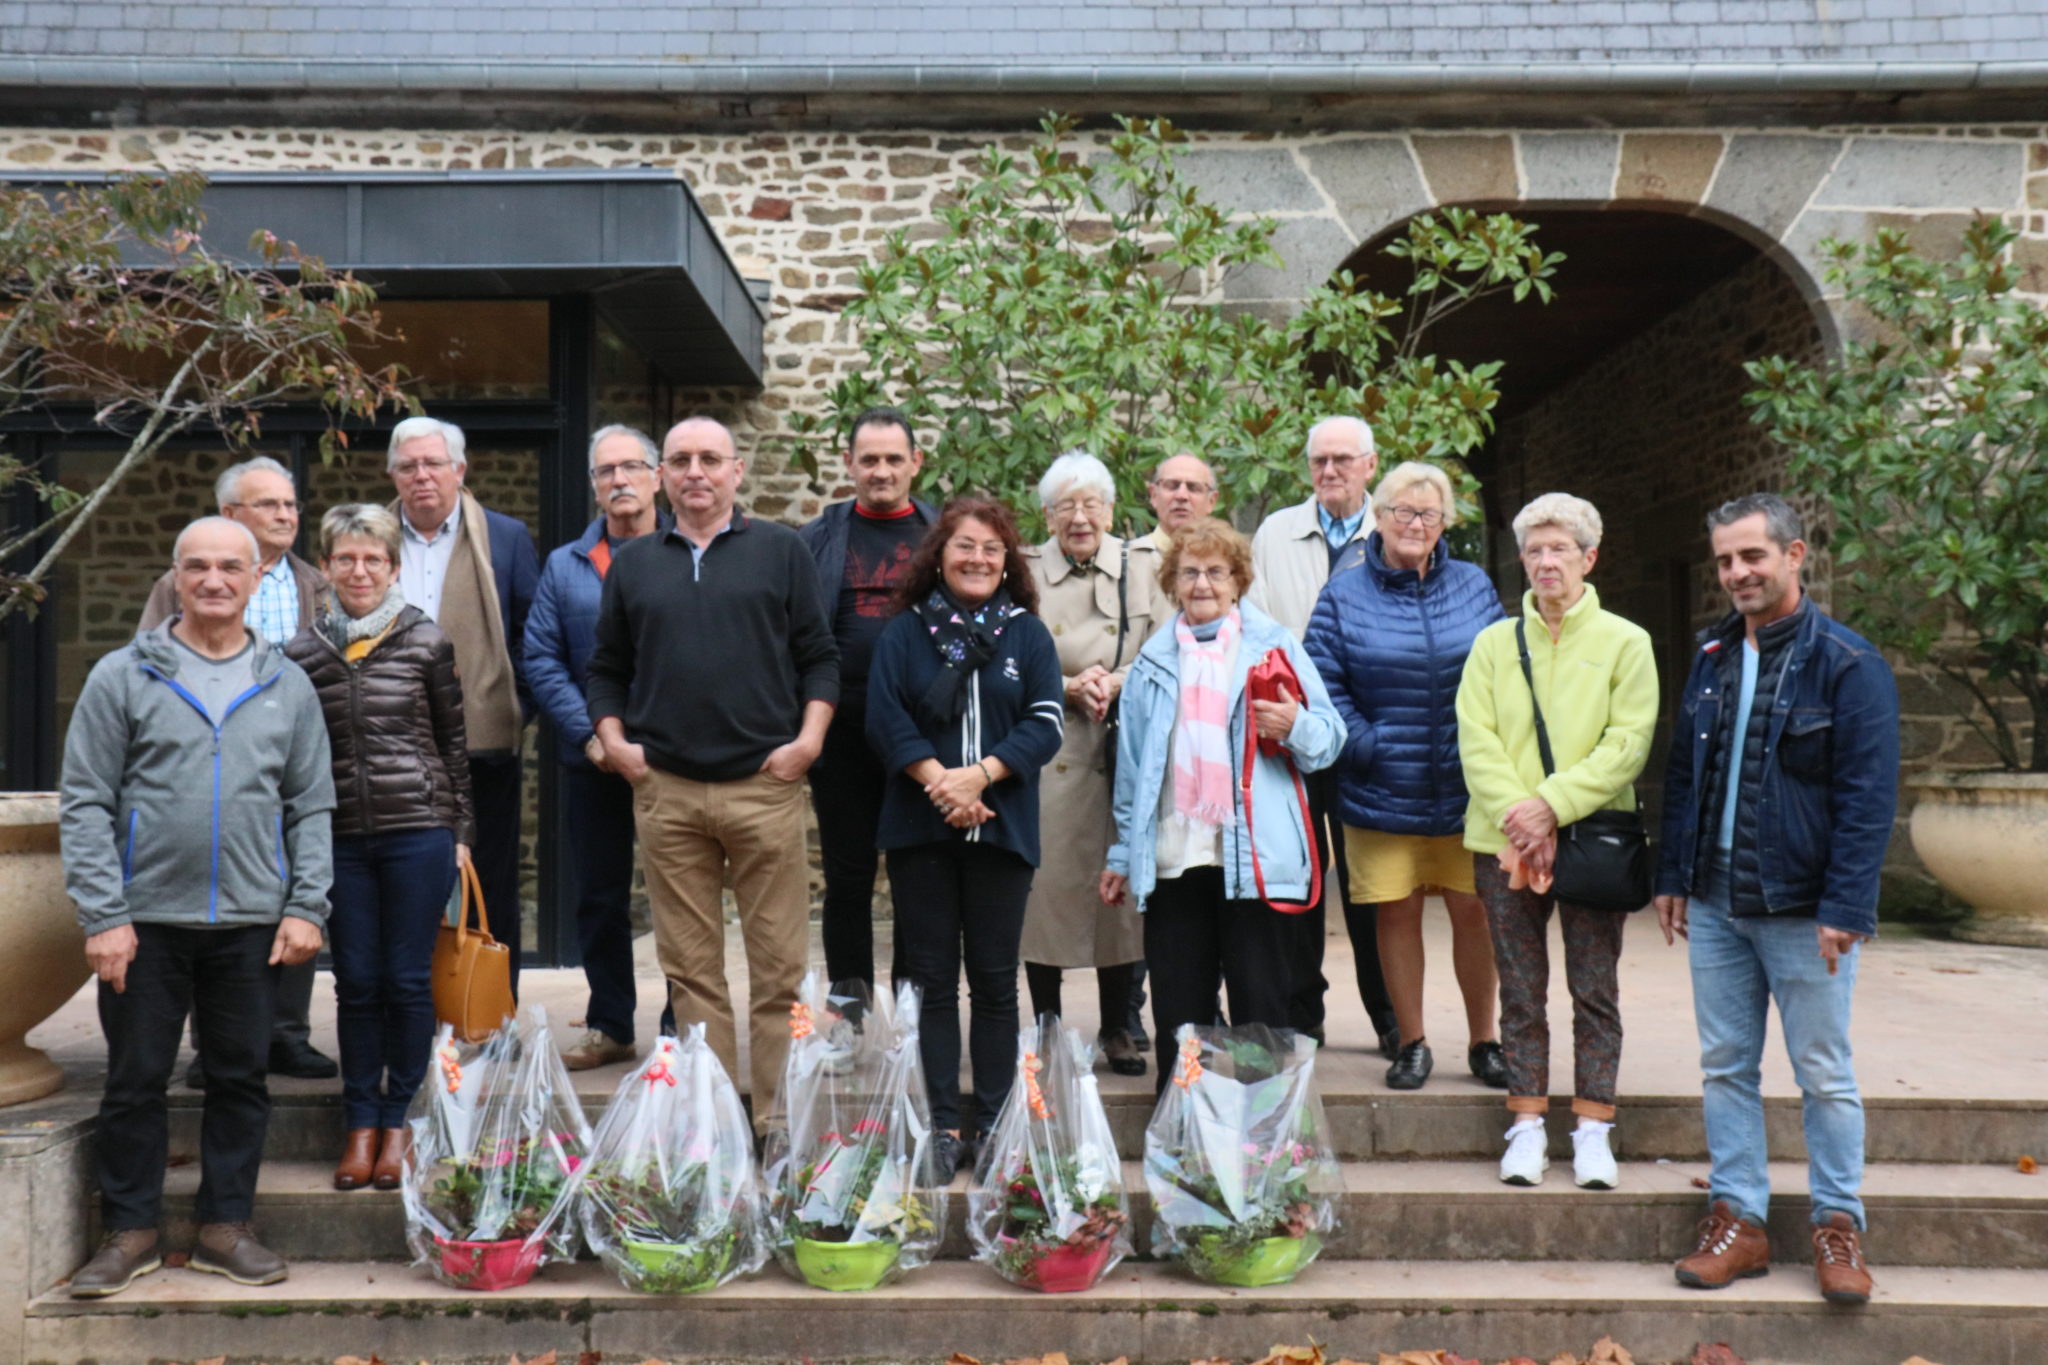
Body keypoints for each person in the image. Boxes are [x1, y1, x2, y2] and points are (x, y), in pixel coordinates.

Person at [61, 516, 334, 1297]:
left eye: (229, 567)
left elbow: (311, 804)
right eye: (197, 567)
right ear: (175, 578)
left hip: (253, 923)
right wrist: (102, 914)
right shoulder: (123, 674)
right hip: (142, 921)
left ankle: (226, 1226)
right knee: (136, 1078)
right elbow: (84, 802)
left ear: (256, 580)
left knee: (242, 1079)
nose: (214, 580)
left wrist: (306, 903)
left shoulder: (287, 683)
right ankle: (131, 1230)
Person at [1656, 493, 1898, 1306]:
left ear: (1795, 556)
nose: (1737, 573)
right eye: (1726, 559)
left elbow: (1868, 798)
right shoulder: (1714, 652)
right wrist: (1672, 874)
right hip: (1720, 902)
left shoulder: (1848, 663)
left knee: (1823, 1072)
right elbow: (1686, 774)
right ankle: (1742, 1221)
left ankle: (1838, 1223)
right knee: (1726, 1065)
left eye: (1752, 556)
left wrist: (1848, 905)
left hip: (1804, 910)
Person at [586, 415, 838, 1128]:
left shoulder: (782, 551)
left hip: (765, 786)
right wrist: (615, 741)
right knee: (691, 971)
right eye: (680, 460)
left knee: (780, 967)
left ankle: (778, 1121)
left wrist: (808, 743)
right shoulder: (634, 562)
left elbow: (820, 657)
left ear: (737, 471)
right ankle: (718, 1122)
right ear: (661, 474)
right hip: (665, 790)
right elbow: (606, 667)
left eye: (710, 459)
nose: (696, 471)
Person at [1456, 493, 1657, 1190]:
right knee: (1519, 988)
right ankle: (1526, 1124)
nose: (1546, 561)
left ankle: (1594, 1126)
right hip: (1504, 841)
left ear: (1588, 558)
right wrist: (1522, 815)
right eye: (1535, 549)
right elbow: (1476, 737)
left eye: (1560, 549)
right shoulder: (1491, 644)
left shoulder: (1626, 643)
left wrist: (1552, 806)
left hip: (1592, 841)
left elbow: (1626, 744)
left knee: (1594, 987)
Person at [1102, 516, 1344, 1087]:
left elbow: (1331, 739)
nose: (1202, 584)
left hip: (1255, 861)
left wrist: (1296, 726)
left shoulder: (1274, 648)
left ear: (1238, 581)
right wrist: (1119, 857)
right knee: (1179, 1019)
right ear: (1172, 583)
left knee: (1260, 1015)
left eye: (1216, 572)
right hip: (1175, 858)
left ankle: (1265, 1144)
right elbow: (1132, 771)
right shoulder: (1154, 664)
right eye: (1189, 573)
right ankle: (1186, 1138)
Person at [866, 496, 1064, 1175]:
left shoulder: (1026, 634)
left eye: (992, 548)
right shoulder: (905, 633)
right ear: (939, 555)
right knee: (931, 980)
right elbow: (885, 719)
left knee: (995, 981)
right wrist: (942, 785)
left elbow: (1045, 723)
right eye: (965, 546)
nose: (978, 558)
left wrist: (978, 777)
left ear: (1008, 561)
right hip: (921, 830)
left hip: (1002, 830)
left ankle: (999, 1121)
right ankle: (944, 1123)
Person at [285, 505, 472, 1193]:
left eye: (373, 559)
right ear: (327, 568)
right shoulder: (303, 654)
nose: (358, 570)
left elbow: (454, 746)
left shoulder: (426, 641)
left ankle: (400, 1123)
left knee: (406, 977)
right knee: (356, 982)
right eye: (345, 559)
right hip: (337, 836)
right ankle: (359, 1121)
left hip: (417, 832)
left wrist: (460, 834)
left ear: (393, 567)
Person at [1305, 460, 1507, 1092]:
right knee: (1396, 913)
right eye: (1403, 512)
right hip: (1379, 783)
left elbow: (1503, 672)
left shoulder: (1475, 585)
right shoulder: (1343, 592)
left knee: (1475, 911)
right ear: (1380, 517)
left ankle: (1485, 1041)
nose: (1415, 524)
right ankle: (1412, 1041)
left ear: (1444, 522)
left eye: (1429, 514)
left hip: (1466, 787)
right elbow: (1321, 681)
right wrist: (1369, 745)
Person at [139, 454, 334, 1086]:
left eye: (290, 504)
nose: (286, 515)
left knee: (292, 896)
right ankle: (211, 1045)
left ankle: (287, 1034)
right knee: (211, 900)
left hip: (289, 755)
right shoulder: (181, 584)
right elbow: (150, 666)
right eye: (269, 504)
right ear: (230, 514)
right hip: (210, 761)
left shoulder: (317, 583)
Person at [525, 425, 674, 1070]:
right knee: (599, 896)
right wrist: (590, 736)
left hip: (676, 757)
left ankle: (681, 1025)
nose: (620, 480)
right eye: (606, 471)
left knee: (680, 896)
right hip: (592, 760)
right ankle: (612, 1023)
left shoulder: (685, 551)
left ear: (657, 477)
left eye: (632, 467)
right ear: (593, 485)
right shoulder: (566, 564)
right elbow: (541, 658)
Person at [1248, 416, 1398, 1056]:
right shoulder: (1275, 532)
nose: (1330, 471)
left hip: (1366, 736)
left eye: (1343, 459)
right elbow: (1251, 625)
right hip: (1290, 735)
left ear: (1370, 464)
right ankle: (1300, 1012)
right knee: (1298, 880)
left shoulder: (1394, 528)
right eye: (1319, 461)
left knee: (1371, 886)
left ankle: (1393, 1019)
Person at [386, 415, 538, 992]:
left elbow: (530, 635)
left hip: (482, 744)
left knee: (490, 884)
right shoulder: (373, 539)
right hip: (388, 746)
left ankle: (491, 1017)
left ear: (459, 470)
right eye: (408, 466)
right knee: (402, 884)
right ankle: (413, 1017)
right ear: (395, 476)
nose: (422, 476)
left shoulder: (504, 537)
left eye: (433, 464)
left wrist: (511, 705)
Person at [1021, 451, 1160, 1075]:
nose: (1080, 517)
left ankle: (1118, 1026)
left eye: (1092, 504)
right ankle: (1048, 1025)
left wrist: (1117, 680)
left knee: (1120, 896)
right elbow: (1009, 651)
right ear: (1048, 515)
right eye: (1066, 506)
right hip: (1049, 748)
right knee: (1044, 892)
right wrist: (1068, 685)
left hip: (1117, 747)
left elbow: (1165, 647)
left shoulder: (1143, 568)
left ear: (1110, 509)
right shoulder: (1021, 571)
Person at [797, 407, 938, 988]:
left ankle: (913, 1010)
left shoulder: (945, 535)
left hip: (923, 733)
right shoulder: (816, 539)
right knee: (847, 876)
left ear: (916, 464)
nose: (881, 471)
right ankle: (849, 1009)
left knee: (917, 873)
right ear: (849, 463)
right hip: (843, 731)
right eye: (869, 459)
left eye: (893, 459)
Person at [1141, 452, 1219, 554]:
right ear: (1154, 495)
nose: (1181, 496)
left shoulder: (1232, 562)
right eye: (1172, 486)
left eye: (1193, 488)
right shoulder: (1126, 560)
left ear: (1211, 501)